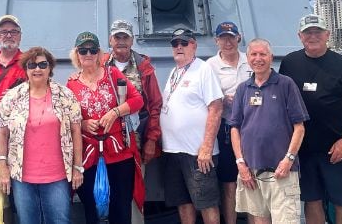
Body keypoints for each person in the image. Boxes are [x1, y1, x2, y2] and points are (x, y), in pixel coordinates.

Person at [278, 14, 342, 224]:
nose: (313, 36)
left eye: (317, 31)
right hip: (305, 150)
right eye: (308, 32)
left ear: (327, 34)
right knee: (312, 202)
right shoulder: (290, 63)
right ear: (300, 36)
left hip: (339, 149)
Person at [0, 47, 84, 224]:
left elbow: (76, 132)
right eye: (32, 65)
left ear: (50, 68)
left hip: (57, 175)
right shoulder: (12, 97)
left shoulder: (65, 95)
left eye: (43, 64)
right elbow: (2, 132)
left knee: (60, 220)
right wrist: (2, 166)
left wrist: (77, 167)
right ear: (26, 69)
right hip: (22, 176)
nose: (37, 69)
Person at [66, 31, 144, 224]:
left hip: (119, 153)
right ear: (77, 54)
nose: (88, 54)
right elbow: (66, 118)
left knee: (120, 208)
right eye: (83, 50)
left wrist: (115, 112)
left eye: (93, 50)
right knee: (92, 209)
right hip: (88, 155)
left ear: (99, 53)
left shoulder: (112, 74)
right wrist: (83, 124)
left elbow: (137, 100)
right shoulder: (71, 84)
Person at [230, 38, 308, 224]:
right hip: (251, 170)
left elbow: (299, 127)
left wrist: (288, 159)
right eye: (253, 54)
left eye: (262, 54)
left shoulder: (286, 84)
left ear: (271, 57)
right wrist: (241, 163)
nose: (258, 58)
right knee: (258, 220)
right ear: (247, 58)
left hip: (282, 171)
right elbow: (235, 128)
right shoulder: (243, 89)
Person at [160, 28, 223, 224]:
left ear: (194, 45)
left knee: (206, 203)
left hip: (197, 153)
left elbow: (216, 108)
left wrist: (206, 147)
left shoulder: (203, 69)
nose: (179, 47)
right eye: (175, 44)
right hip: (172, 151)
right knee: (183, 202)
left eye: (184, 43)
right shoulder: (174, 71)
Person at [206, 21, 252, 224]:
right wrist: (223, 99)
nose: (228, 42)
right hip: (225, 128)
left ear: (238, 38)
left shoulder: (251, 60)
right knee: (229, 183)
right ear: (217, 41)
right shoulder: (210, 66)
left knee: (254, 180)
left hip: (252, 127)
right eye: (223, 38)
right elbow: (205, 97)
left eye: (231, 37)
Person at [102, 20, 163, 164]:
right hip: (106, 137)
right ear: (110, 40)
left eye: (125, 37)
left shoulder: (143, 67)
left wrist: (151, 139)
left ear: (132, 40)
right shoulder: (101, 65)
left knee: (137, 181)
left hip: (137, 138)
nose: (121, 42)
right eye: (117, 37)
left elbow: (155, 105)